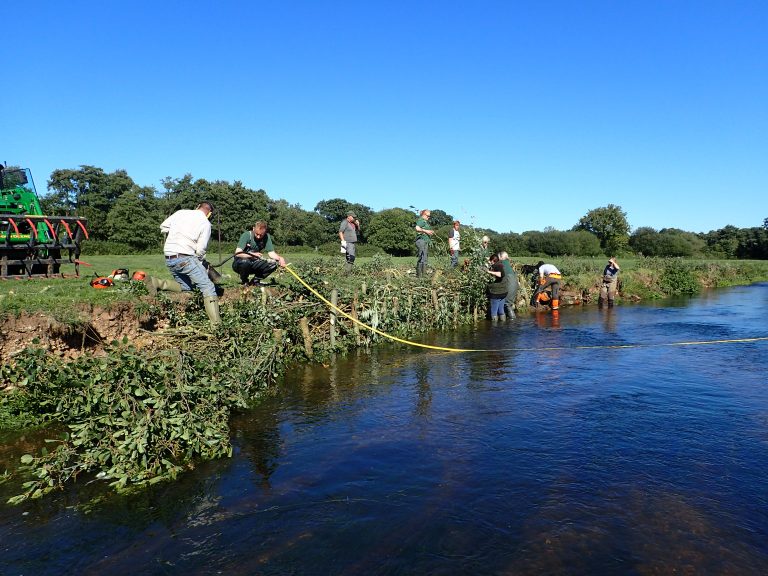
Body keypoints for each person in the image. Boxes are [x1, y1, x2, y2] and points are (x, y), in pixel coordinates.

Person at [149, 201, 221, 326]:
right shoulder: (205, 223)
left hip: (169, 257)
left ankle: (156, 282)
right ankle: (217, 326)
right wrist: (201, 261)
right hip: (185, 258)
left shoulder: (180, 213)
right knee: (208, 287)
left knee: (187, 287)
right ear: (209, 213)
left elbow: (163, 227)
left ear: (197, 207)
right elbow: (201, 249)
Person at [232, 220, 287, 285]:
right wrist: (252, 255)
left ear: (265, 232)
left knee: (274, 263)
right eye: (257, 234)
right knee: (245, 262)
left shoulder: (266, 237)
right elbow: (238, 253)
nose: (258, 237)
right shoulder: (246, 235)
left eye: (261, 235)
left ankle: (255, 281)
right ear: (253, 229)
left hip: (254, 263)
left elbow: (271, 253)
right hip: (240, 264)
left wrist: (280, 258)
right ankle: (245, 281)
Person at [486, 254, 508, 321]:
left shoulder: (497, 266)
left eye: (490, 260)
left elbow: (499, 274)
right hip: (504, 292)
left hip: (496, 293)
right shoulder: (501, 264)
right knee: (501, 311)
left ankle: (494, 328)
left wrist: (488, 271)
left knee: (494, 312)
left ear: (493, 260)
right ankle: (502, 327)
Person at [414, 209, 434, 278]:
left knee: (425, 258)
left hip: (425, 241)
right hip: (421, 241)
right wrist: (426, 231)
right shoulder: (421, 220)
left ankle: (423, 276)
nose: (429, 217)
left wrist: (430, 232)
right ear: (424, 214)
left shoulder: (425, 222)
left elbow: (424, 230)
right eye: (428, 216)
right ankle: (420, 276)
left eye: (429, 216)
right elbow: (417, 228)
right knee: (422, 257)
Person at [498, 251, 519, 318]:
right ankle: (511, 321)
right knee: (508, 303)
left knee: (507, 304)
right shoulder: (508, 264)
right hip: (515, 284)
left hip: (509, 283)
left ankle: (512, 319)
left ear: (501, 257)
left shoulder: (501, 263)